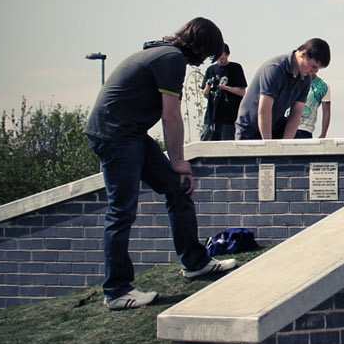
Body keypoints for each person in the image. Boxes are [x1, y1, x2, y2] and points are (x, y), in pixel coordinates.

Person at [83, 18, 239, 310]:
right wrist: (179, 161)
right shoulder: (171, 59)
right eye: (208, 53)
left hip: (131, 133)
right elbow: (171, 115)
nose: (205, 60)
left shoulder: (164, 51)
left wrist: (177, 168)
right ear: (202, 47)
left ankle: (194, 262)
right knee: (121, 211)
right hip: (115, 135)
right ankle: (116, 290)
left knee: (176, 188)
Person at [234, 38, 331, 140]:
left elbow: (296, 112)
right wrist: (269, 145)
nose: (314, 72)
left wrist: (286, 144)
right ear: (303, 54)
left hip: (275, 126)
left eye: (317, 69)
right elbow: (264, 110)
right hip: (249, 129)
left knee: (297, 140)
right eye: (313, 67)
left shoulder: (305, 79)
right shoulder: (274, 69)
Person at [199, 45, 246, 141]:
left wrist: (223, 87)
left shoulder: (235, 68)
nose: (221, 61)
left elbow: (242, 92)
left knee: (226, 143)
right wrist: (208, 85)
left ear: (227, 55)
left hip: (229, 117)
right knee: (205, 141)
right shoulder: (210, 70)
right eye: (218, 59)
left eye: (222, 58)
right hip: (212, 116)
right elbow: (205, 94)